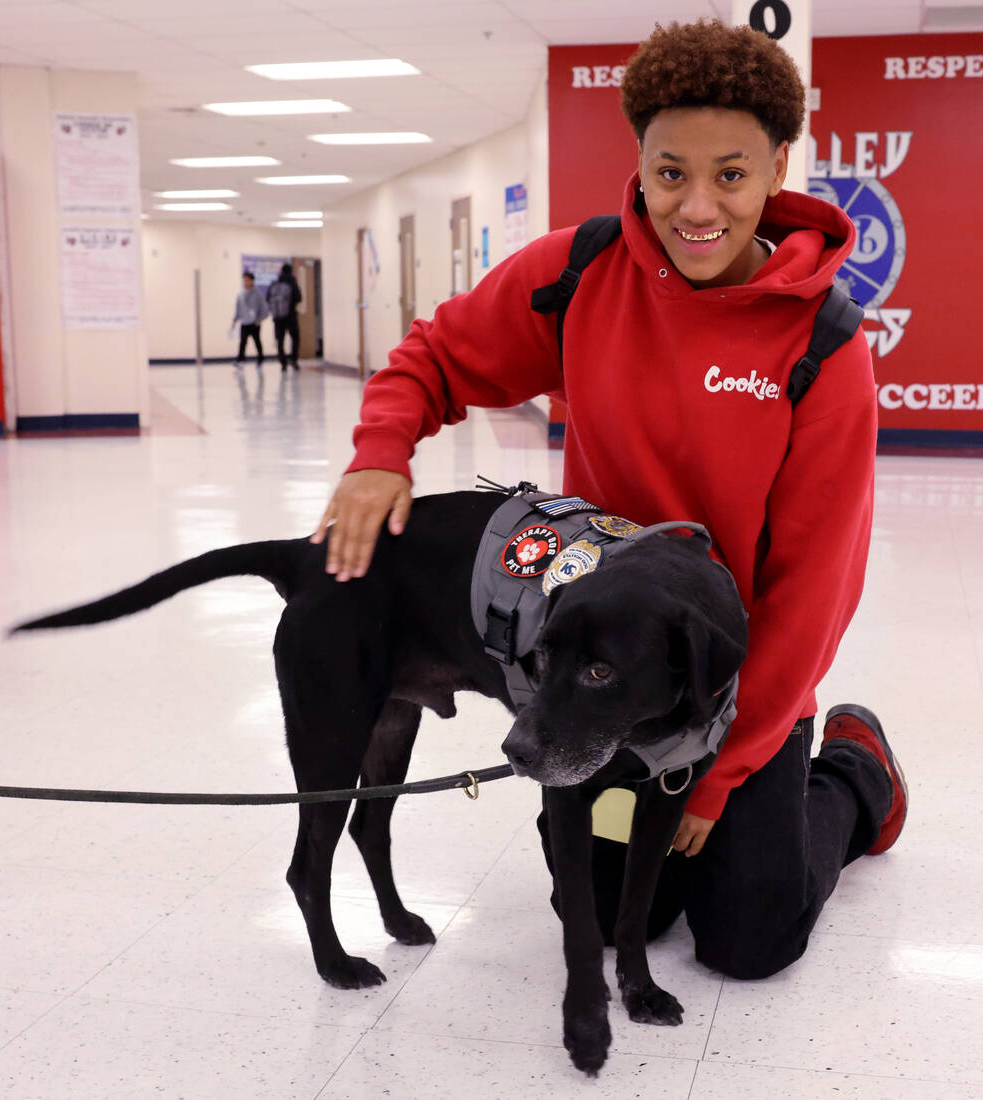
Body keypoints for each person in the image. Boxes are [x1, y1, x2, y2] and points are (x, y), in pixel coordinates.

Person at [309, 20, 907, 981]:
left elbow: (813, 589)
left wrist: (727, 763)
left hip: (732, 679)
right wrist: (380, 453)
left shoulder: (822, 346)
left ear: (779, 168)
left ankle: (857, 772)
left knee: (748, 940)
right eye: (671, 173)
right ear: (638, 160)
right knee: (624, 906)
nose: (698, 206)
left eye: (732, 175)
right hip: (609, 669)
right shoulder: (581, 272)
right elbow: (437, 354)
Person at [268, 262, 303, 371]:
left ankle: (282, 362)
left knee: (280, 340)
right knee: (295, 338)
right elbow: (299, 298)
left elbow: (268, 298)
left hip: (277, 317)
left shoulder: (274, 283)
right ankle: (293, 359)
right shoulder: (292, 282)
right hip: (290, 316)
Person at [231, 271, 269, 366]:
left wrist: (259, 320)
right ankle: (240, 359)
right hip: (244, 322)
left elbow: (264, 309)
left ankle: (260, 358)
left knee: (257, 341)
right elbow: (238, 308)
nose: (245, 282)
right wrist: (234, 320)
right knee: (243, 342)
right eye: (244, 280)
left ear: (252, 281)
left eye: (247, 280)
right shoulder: (241, 294)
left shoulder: (258, 294)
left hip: (254, 323)